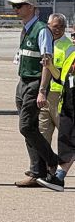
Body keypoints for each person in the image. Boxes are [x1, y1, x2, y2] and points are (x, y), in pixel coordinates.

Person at [8, 0, 63, 190]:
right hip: (23, 82)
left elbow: (47, 64)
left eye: (20, 6)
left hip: (34, 83)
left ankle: (51, 159)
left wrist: (42, 90)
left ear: (31, 7)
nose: (16, 9)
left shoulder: (41, 31)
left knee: (26, 127)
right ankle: (37, 171)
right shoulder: (25, 29)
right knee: (29, 129)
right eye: (15, 6)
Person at [40, 13, 71, 147]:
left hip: (59, 97)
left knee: (67, 136)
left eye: (61, 27)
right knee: (42, 135)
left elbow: (65, 75)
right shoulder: (44, 43)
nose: (58, 29)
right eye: (55, 26)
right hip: (43, 97)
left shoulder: (68, 47)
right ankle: (46, 167)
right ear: (48, 26)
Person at [56, 21, 75, 185]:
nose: (74, 39)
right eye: (73, 35)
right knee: (65, 138)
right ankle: (59, 177)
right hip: (68, 105)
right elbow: (61, 77)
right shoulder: (72, 55)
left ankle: (59, 175)